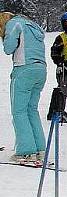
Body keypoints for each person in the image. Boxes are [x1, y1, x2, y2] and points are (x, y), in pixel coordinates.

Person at [1, 11, 47, 164]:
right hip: (41, 69)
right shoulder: (34, 25)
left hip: (23, 69)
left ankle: (26, 151)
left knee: (19, 111)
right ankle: (40, 149)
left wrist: (4, 37)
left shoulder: (14, 24)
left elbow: (8, 48)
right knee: (31, 110)